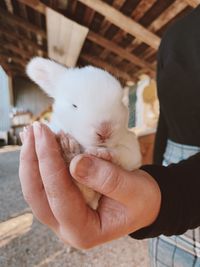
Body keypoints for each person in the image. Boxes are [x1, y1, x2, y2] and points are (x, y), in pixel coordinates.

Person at [19, 4, 200, 251]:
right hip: (174, 193)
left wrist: (162, 196)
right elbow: (167, 121)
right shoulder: (173, 37)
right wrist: (159, 180)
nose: (103, 129)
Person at [149, 5, 200, 267]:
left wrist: (156, 176)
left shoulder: (172, 35)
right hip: (173, 190)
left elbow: (163, 123)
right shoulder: (172, 35)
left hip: (172, 179)